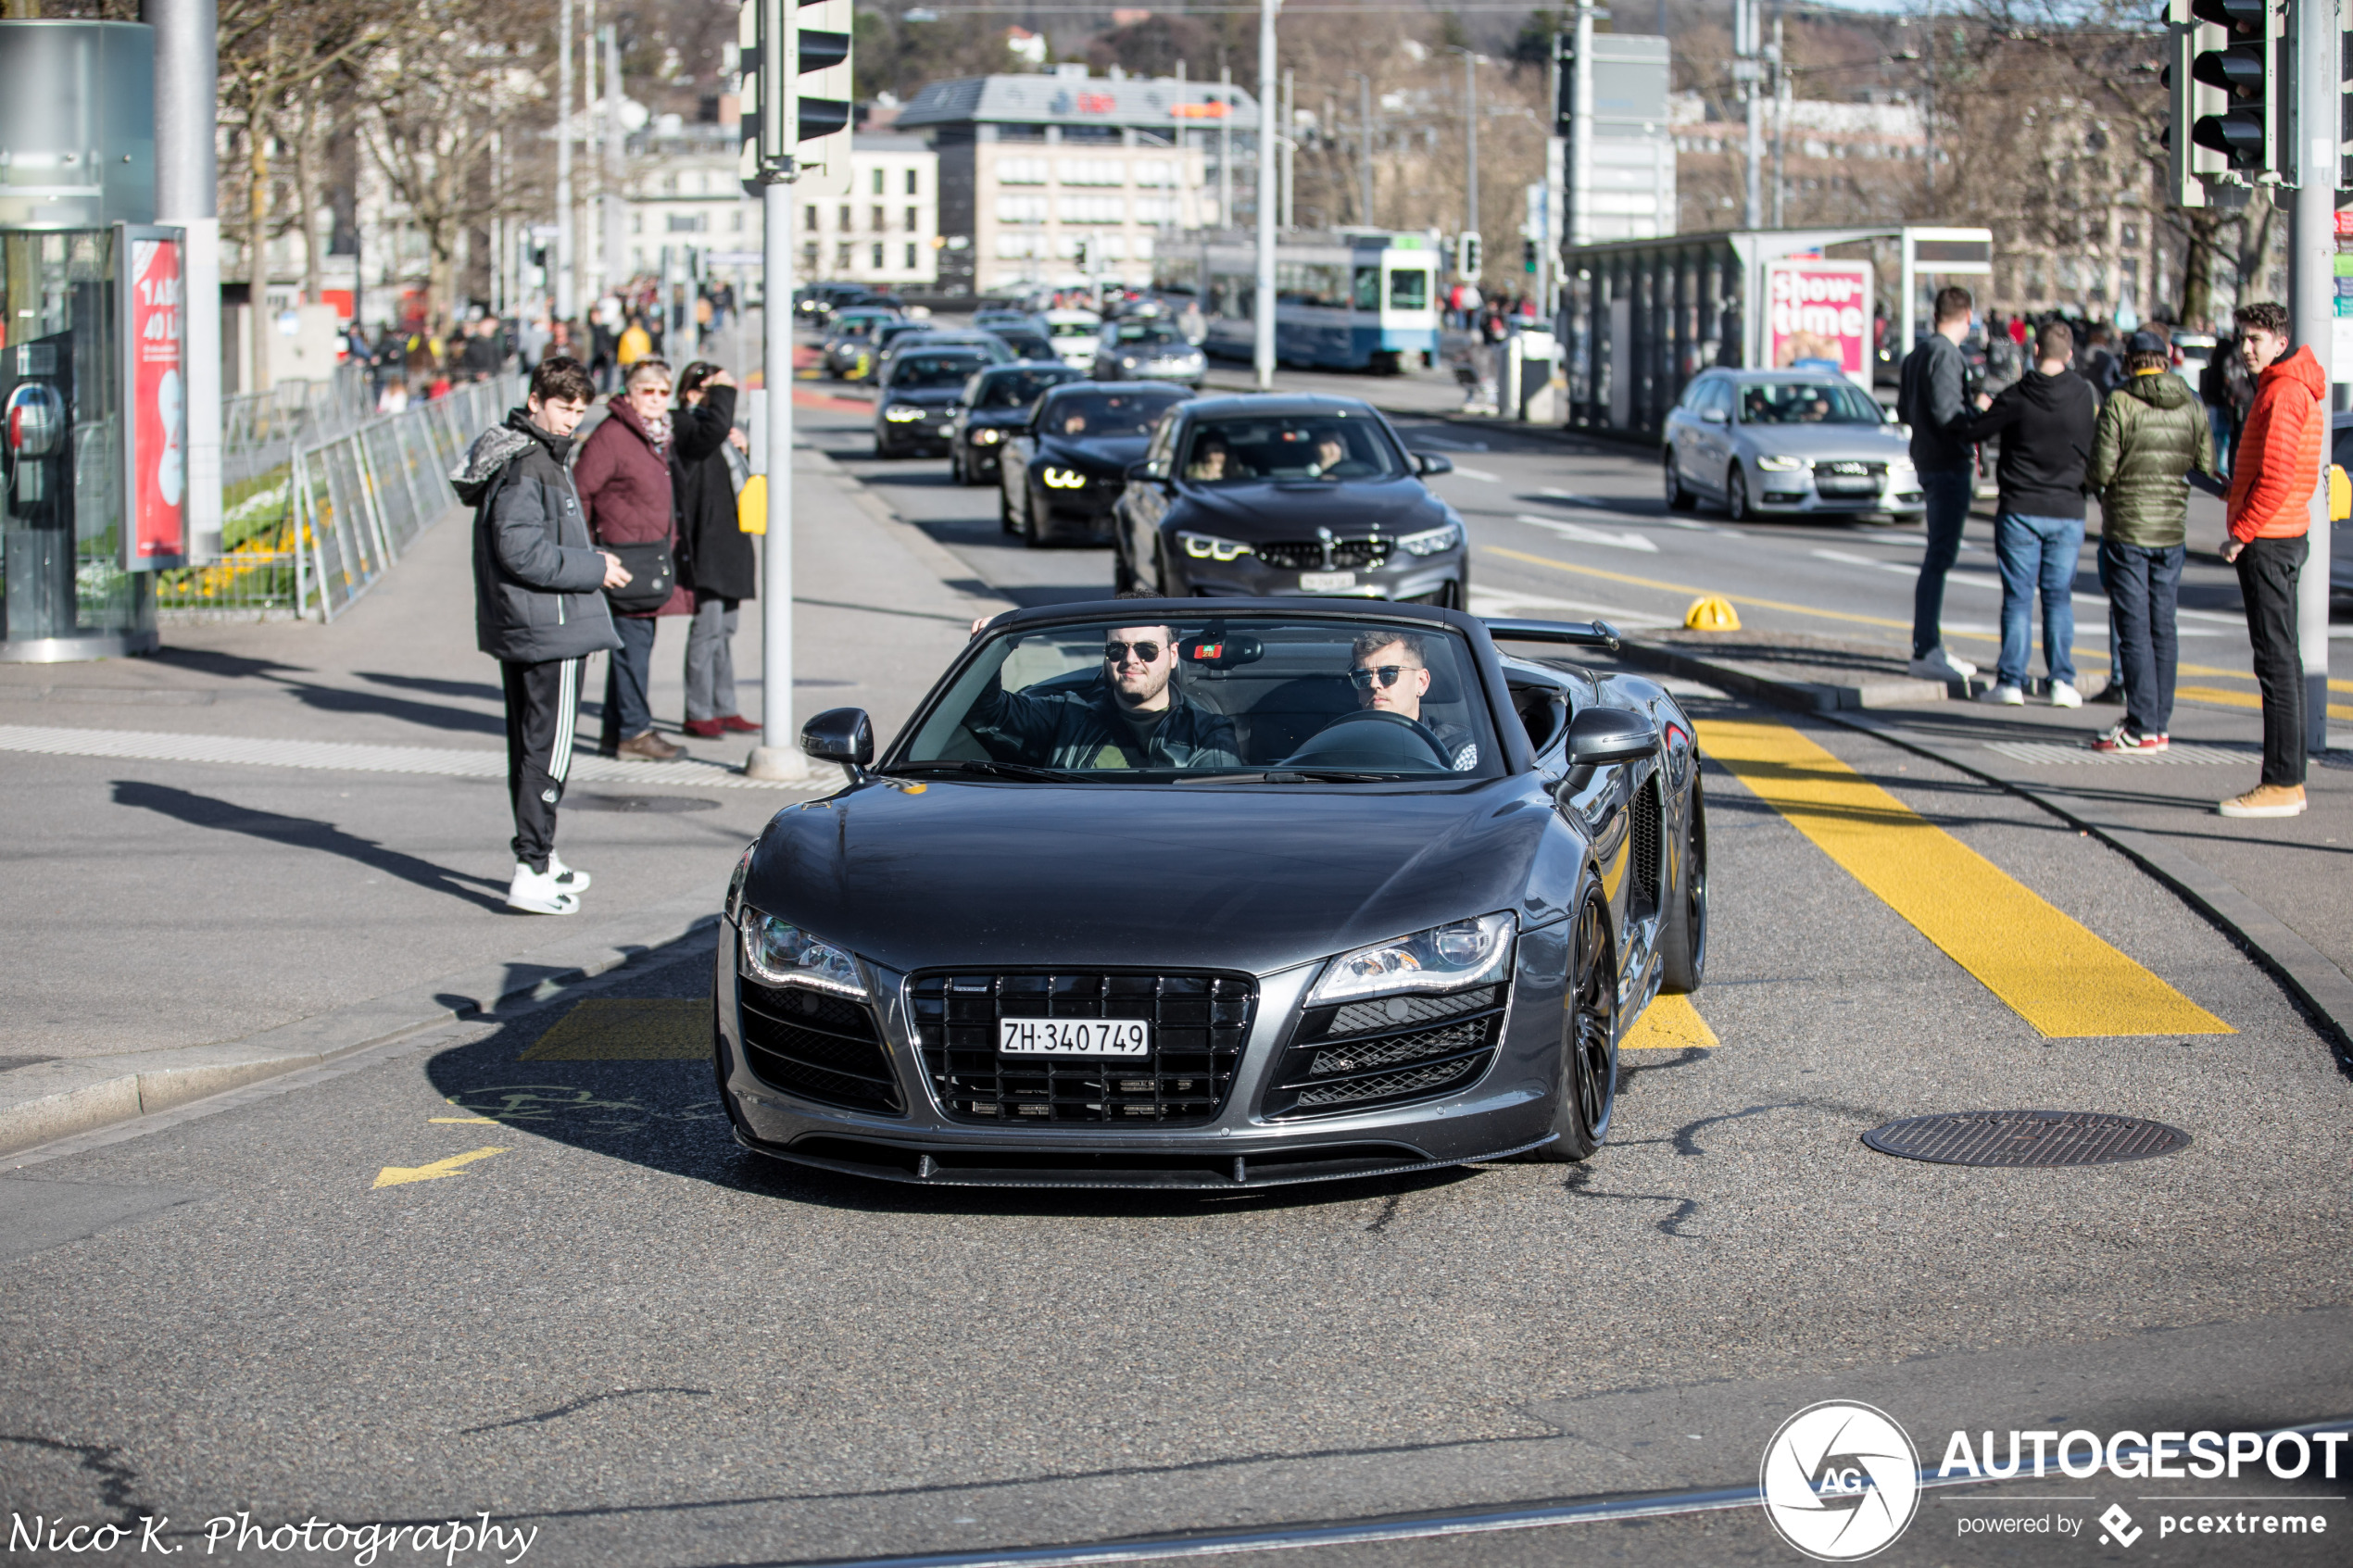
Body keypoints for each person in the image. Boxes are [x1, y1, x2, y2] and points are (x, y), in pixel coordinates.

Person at [454, 355, 629, 915]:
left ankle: (541, 856)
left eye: (579, 410)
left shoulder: (531, 458)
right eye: (562, 408)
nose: (570, 420)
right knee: (547, 753)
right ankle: (531, 865)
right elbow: (521, 551)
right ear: (535, 402)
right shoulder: (530, 465)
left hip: (533, 622)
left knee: (532, 748)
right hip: (549, 625)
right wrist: (594, 568)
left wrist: (588, 559)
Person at [2214, 302, 2324, 819]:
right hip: (2281, 534)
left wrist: (2241, 531)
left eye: (2256, 339)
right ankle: (2287, 780)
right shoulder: (2287, 387)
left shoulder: (2282, 392)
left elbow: (2278, 477)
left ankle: (2282, 783)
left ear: (2281, 342)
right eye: (2243, 338)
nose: (2246, 348)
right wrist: (2235, 494)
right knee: (2283, 661)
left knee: (2277, 664)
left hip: (2270, 540)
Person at [2086, 329, 2217, 752]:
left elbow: (2101, 471)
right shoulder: (2192, 404)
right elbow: (2206, 466)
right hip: (2172, 530)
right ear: (2168, 358)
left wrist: (2095, 477)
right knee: (2164, 625)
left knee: (2133, 627)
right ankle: (2159, 723)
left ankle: (2140, 724)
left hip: (2128, 528)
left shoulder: (2120, 403)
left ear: (2130, 361)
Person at [1958, 320, 2099, 708]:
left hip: (2020, 507)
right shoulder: (2085, 396)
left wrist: (1981, 407)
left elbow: (1973, 431)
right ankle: (2061, 681)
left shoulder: (2017, 396)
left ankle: (2011, 681)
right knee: (2058, 598)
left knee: (2018, 598)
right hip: (2068, 507)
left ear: (2035, 351)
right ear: (2070, 355)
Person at [575, 358, 695, 760]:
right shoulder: (613, 436)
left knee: (633, 645)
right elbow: (580, 492)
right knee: (633, 647)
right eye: (648, 391)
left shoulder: (657, 435)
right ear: (630, 392)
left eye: (664, 391)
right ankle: (635, 731)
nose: (657, 399)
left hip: (650, 556)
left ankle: (617, 731)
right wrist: (595, 545)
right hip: (626, 559)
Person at [960, 617, 1241, 771]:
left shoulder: (1208, 733)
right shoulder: (1067, 715)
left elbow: (1213, 810)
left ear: (1173, 656)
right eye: (1117, 649)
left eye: (1147, 650)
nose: (1130, 659)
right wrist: (986, 653)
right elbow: (987, 713)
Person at [1896, 286, 1983, 684]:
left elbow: (1904, 409)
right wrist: (1978, 413)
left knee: (1938, 555)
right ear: (1966, 316)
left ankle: (1928, 644)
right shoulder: (1946, 355)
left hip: (1928, 459)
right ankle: (1927, 647)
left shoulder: (1917, 354)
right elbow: (1951, 415)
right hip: (1948, 463)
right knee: (1940, 556)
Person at [670, 361, 759, 740]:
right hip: (705, 542)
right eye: (711, 392)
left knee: (726, 628)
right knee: (706, 629)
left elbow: (743, 477)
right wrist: (723, 394)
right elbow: (706, 438)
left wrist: (745, 446)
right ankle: (698, 711)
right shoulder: (684, 425)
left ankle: (724, 707)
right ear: (692, 393)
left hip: (731, 540)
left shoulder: (717, 432)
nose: (718, 401)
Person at [1350, 632, 1478, 771]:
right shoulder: (1340, 748)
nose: (1373, 684)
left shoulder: (1456, 753)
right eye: (1362, 677)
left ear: (1421, 682)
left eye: (1388, 674)